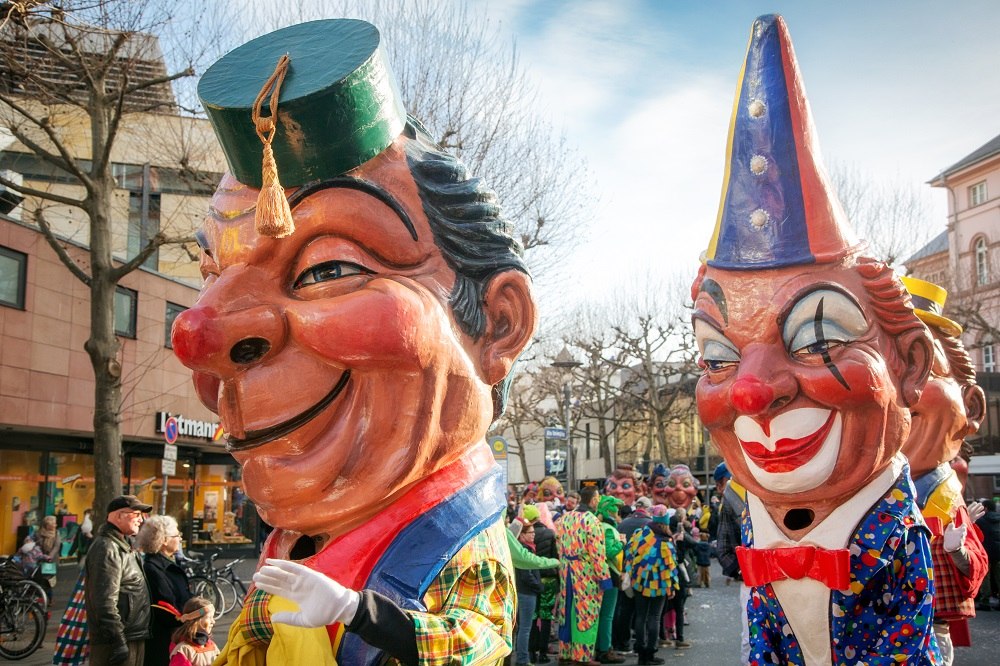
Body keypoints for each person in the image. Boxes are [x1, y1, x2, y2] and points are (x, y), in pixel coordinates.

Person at [173, 18, 537, 665]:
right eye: (211, 278)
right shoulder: (287, 547)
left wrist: (358, 613)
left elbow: (480, 643)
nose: (200, 337)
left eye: (327, 268)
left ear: (499, 322)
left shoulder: (458, 544)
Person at [691, 14, 938, 664]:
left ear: (907, 361)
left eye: (817, 338)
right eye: (719, 356)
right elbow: (765, 641)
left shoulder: (890, 532)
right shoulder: (759, 518)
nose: (749, 391)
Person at [899, 276, 989, 664]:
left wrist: (958, 551)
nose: (900, 391)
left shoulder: (945, 498)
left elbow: (977, 566)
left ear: (971, 408)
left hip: (931, 617)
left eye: (924, 367)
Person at [86, 494, 152, 666]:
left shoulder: (123, 545)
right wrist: (118, 641)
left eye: (141, 515)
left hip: (130, 636)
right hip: (117, 640)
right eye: (136, 514)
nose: (140, 519)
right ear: (117, 515)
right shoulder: (107, 548)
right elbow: (104, 602)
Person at [553, 485, 610, 664]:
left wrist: (565, 563)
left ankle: (565, 652)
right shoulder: (592, 521)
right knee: (586, 613)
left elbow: (559, 546)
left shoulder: (564, 518)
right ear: (593, 500)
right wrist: (604, 578)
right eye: (598, 497)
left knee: (567, 611)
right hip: (585, 574)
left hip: (566, 569)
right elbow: (597, 553)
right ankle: (582, 656)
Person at [622, 505, 677, 666]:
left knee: (640, 616)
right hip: (660, 583)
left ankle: (641, 654)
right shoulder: (666, 539)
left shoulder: (640, 534)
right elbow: (671, 565)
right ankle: (650, 653)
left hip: (640, 581)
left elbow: (629, 554)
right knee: (654, 617)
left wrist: (629, 574)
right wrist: (672, 586)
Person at [138, 515, 192, 666]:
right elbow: (167, 607)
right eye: (176, 535)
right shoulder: (154, 569)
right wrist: (195, 613)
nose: (180, 539)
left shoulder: (168, 564)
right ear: (163, 540)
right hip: (164, 640)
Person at [594, 495, 625, 664]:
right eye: (616, 509)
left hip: (607, 573)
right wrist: (621, 542)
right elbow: (608, 552)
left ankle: (602, 647)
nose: (618, 512)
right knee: (607, 615)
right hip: (610, 574)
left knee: (604, 614)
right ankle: (605, 649)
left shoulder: (603, 525)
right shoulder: (606, 527)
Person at [168, 597, 220, 666]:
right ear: (196, 621)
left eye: (212, 617)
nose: (213, 621)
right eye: (209, 617)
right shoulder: (183, 650)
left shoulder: (212, 646)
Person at [977, 499, 1000, 611]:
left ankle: (985, 601)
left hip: (985, 552)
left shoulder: (981, 520)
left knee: (985, 576)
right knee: (998, 576)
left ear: (985, 508)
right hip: (999, 551)